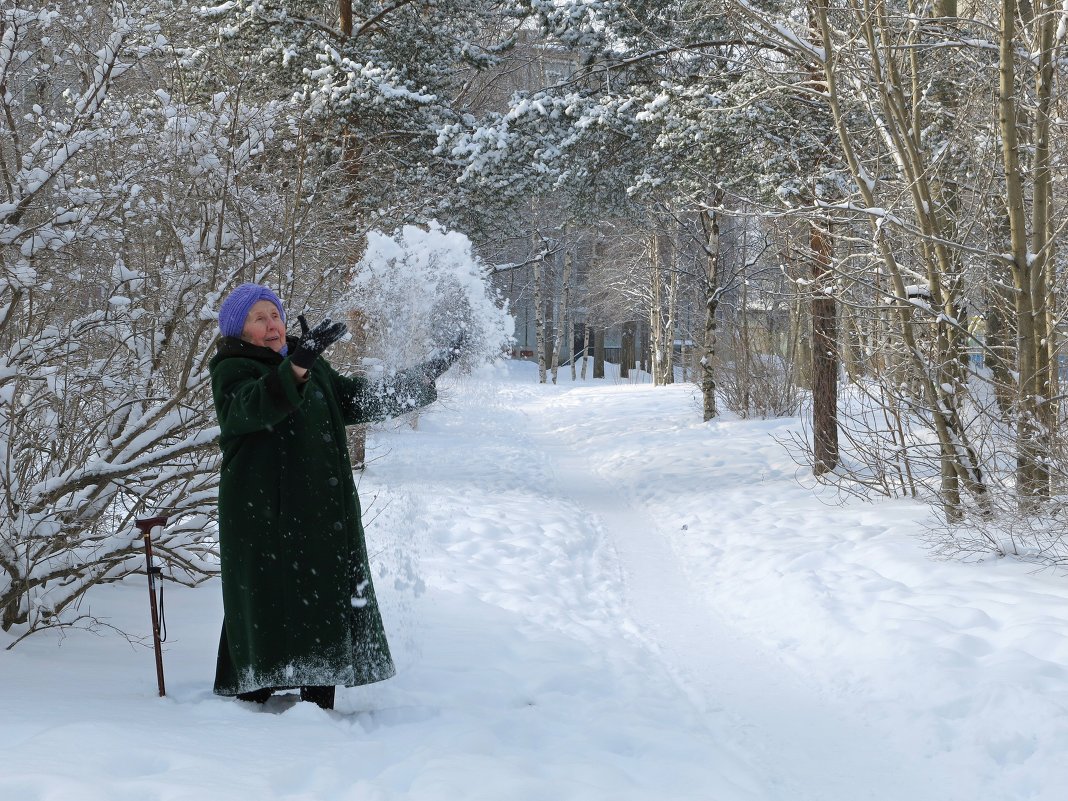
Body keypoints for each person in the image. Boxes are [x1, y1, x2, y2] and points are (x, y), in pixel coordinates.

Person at [209, 282, 460, 710]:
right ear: (240, 330)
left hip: (320, 509)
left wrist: (421, 377)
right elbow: (253, 407)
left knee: (320, 593)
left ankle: (318, 695)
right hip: (262, 511)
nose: (273, 325)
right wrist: (299, 365)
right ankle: (253, 699)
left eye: (276, 315)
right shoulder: (232, 369)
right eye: (260, 318)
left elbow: (356, 400)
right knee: (266, 595)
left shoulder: (310, 366)